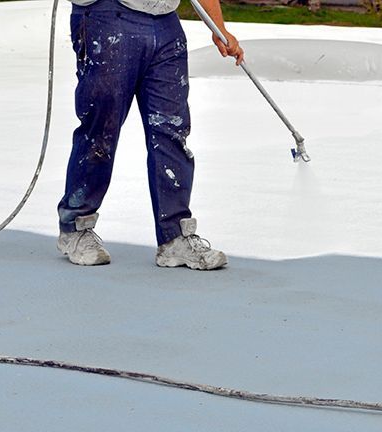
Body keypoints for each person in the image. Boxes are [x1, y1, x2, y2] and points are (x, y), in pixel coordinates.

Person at [56, 0, 243, 269]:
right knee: (101, 128)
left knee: (171, 129)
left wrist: (218, 27)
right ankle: (76, 227)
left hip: (165, 22)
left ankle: (174, 237)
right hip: (106, 14)